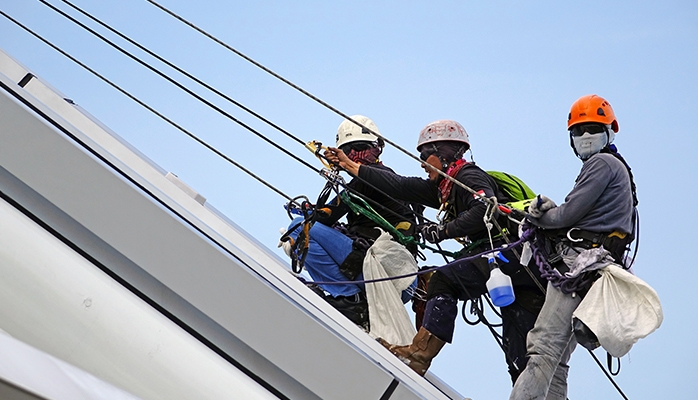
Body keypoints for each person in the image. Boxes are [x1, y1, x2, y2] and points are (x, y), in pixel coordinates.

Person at [325, 120, 552, 385]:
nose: (421, 163)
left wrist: (443, 231)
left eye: (424, 155)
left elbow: (483, 209)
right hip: (523, 267)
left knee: (444, 279)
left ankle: (419, 354)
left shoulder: (468, 176)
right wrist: (351, 166)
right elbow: (399, 185)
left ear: (443, 153)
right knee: (518, 351)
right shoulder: (444, 188)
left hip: (511, 255)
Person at [509, 95, 637, 400]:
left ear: (610, 131)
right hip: (595, 269)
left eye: (592, 128)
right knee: (559, 360)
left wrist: (535, 215)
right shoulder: (619, 169)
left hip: (579, 266)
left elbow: (568, 215)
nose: (585, 136)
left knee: (542, 348)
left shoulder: (602, 163)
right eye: (579, 131)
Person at [283, 115, 418, 330]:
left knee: (299, 228)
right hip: (401, 280)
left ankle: (348, 298)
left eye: (360, 148)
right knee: (311, 231)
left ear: (377, 149)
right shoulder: (385, 179)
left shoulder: (371, 178)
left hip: (386, 272)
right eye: (348, 151)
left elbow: (326, 215)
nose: (354, 156)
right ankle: (353, 300)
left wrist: (311, 213)